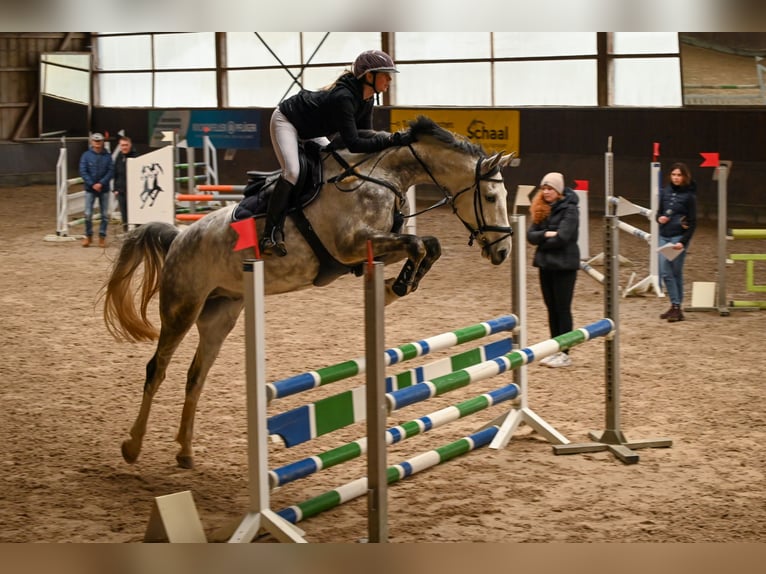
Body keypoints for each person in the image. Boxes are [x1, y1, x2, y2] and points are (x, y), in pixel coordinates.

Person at [261, 49, 414, 256]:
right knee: (293, 172)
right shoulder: (344, 98)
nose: (389, 79)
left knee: (334, 163)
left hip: (312, 130)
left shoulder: (367, 99)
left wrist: (389, 139)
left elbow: (365, 134)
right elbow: (354, 144)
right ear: (369, 76)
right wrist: (389, 139)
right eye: (385, 74)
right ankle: (269, 233)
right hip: (287, 121)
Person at [527, 172, 581, 368]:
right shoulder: (541, 207)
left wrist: (542, 241)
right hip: (545, 265)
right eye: (544, 188)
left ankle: (565, 352)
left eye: (550, 188)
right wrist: (546, 234)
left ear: (558, 190)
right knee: (551, 309)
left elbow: (563, 237)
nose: (546, 192)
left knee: (562, 308)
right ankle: (554, 347)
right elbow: (530, 235)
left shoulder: (571, 210)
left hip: (564, 266)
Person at [657, 162, 697, 322]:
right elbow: (658, 213)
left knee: (672, 272)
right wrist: (659, 218)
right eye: (674, 175)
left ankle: (675, 306)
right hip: (664, 236)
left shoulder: (689, 197)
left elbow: (693, 222)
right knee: (666, 271)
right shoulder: (665, 192)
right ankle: (676, 306)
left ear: (684, 177)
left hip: (678, 238)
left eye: (679, 175)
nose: (676, 178)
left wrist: (683, 241)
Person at [79, 132, 114, 247]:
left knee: (104, 214)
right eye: (95, 141)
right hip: (91, 188)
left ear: (102, 142)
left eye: (99, 141)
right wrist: (93, 184)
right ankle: (88, 235)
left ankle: (102, 236)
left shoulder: (108, 156)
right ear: (91, 142)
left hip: (103, 189)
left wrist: (101, 183)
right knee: (88, 214)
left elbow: (110, 171)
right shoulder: (86, 156)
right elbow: (83, 171)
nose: (97, 143)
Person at [112, 135, 137, 234]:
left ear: (130, 145)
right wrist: (115, 188)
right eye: (122, 145)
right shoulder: (119, 156)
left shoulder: (136, 156)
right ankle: (126, 233)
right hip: (121, 191)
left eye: (126, 145)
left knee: (134, 214)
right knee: (124, 214)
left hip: (133, 191)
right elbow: (115, 173)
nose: (124, 147)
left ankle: (136, 234)